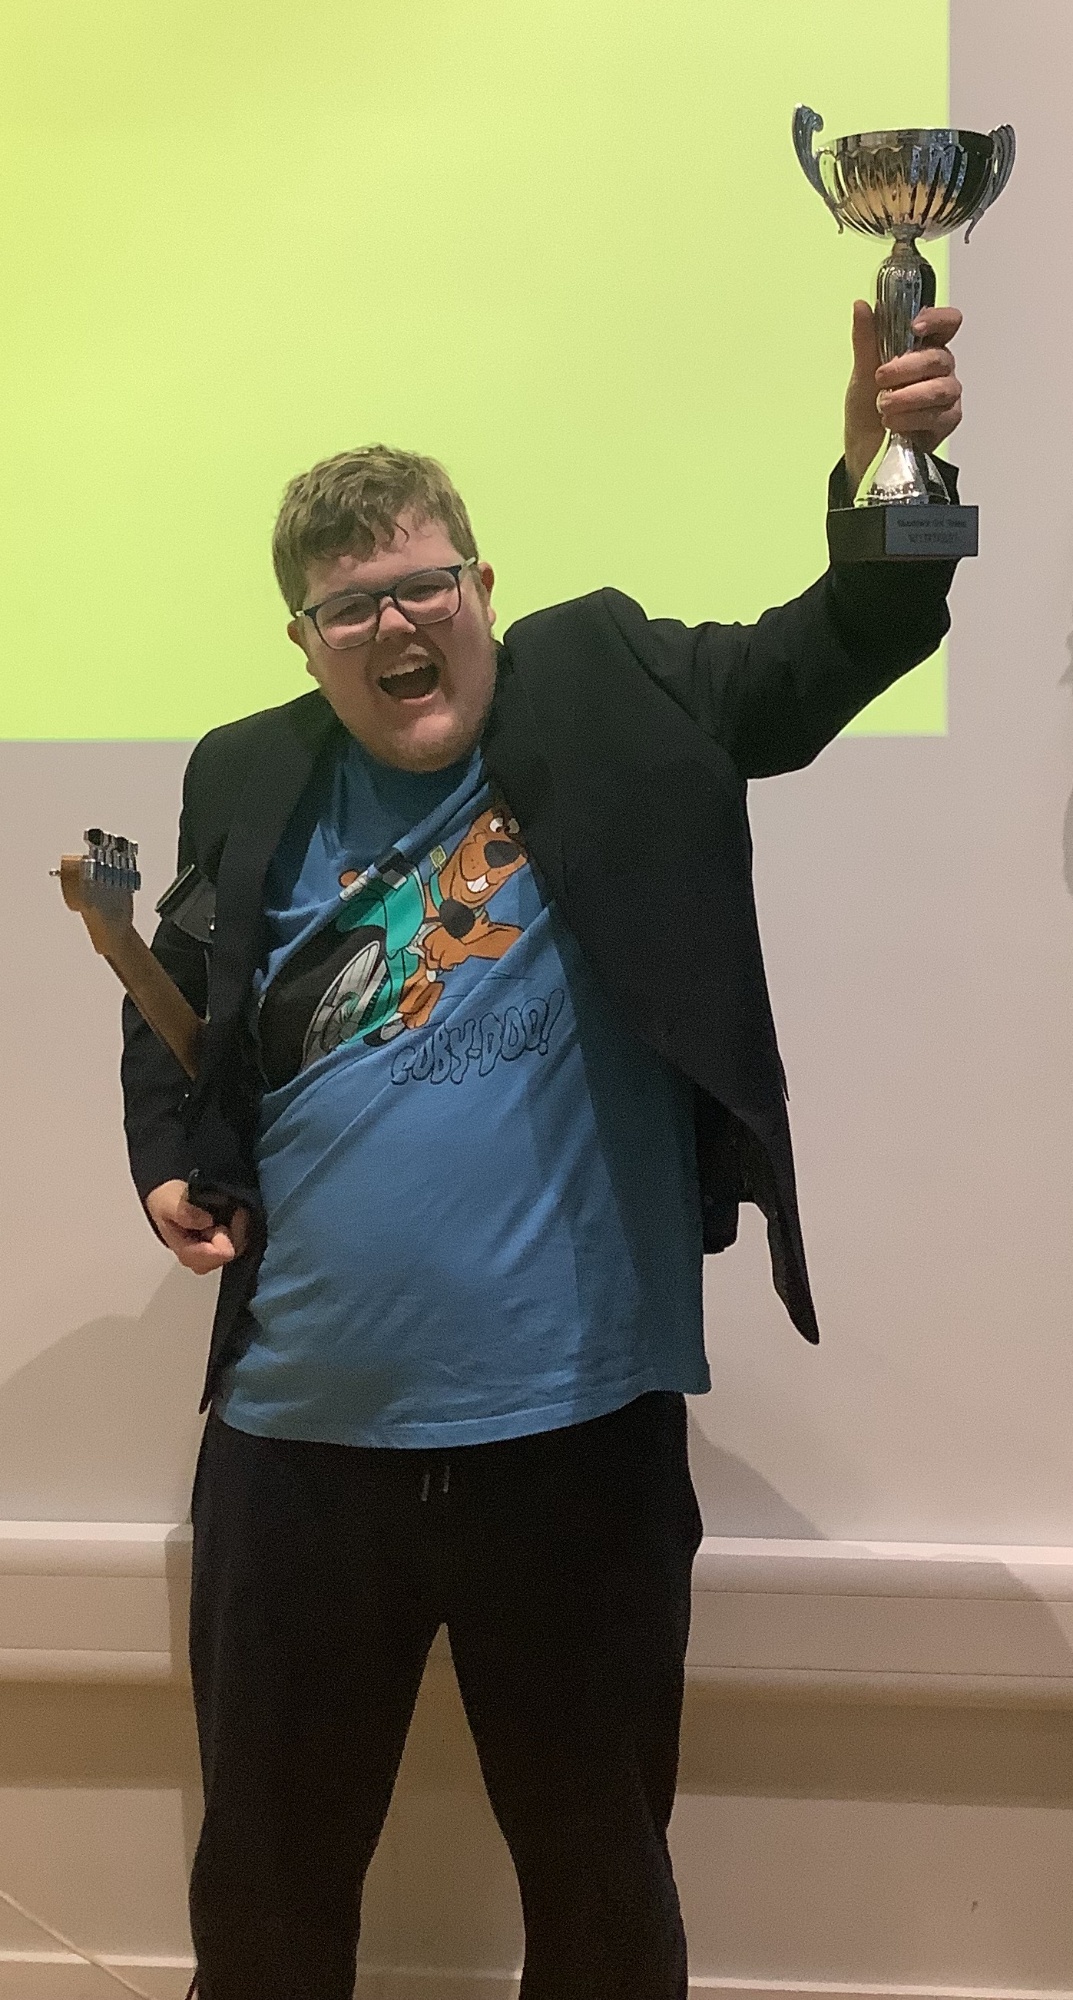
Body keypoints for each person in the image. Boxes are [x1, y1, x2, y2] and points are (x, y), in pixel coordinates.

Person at [121, 299, 965, 2000]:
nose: (394, 621)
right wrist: (165, 1154)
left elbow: (846, 638)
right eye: (349, 606)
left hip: (575, 1443)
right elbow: (173, 1000)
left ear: (482, 587)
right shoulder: (245, 771)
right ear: (305, 642)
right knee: (267, 1902)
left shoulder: (619, 681)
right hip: (297, 1452)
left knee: (599, 1898)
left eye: (422, 583)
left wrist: (897, 469)